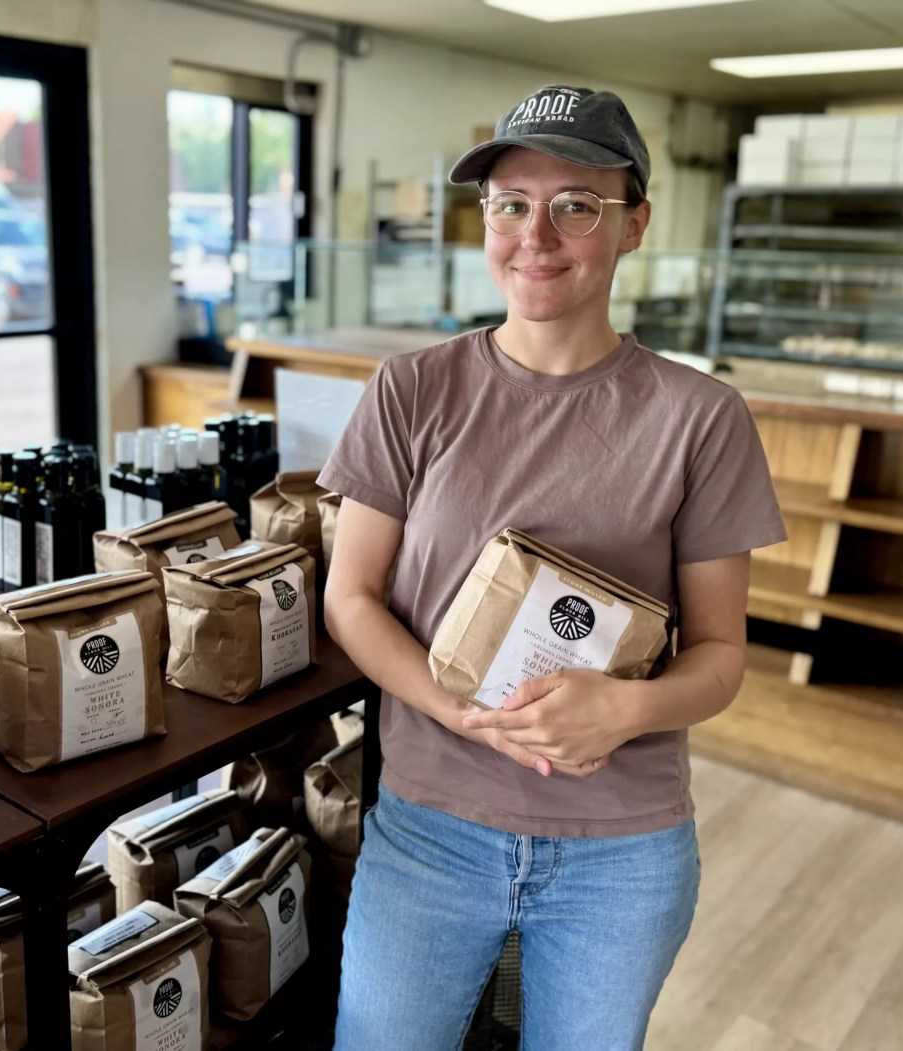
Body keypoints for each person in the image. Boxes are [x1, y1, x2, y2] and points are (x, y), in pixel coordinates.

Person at [318, 85, 787, 1050]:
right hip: (429, 829)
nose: (537, 233)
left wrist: (627, 707)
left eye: (577, 204)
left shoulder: (701, 418)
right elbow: (351, 599)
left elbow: (720, 654)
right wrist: (457, 710)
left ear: (633, 226)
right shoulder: (412, 389)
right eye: (511, 204)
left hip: (623, 850)